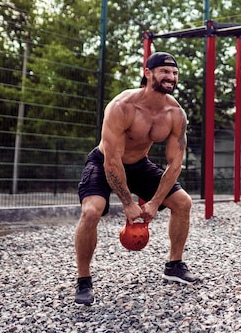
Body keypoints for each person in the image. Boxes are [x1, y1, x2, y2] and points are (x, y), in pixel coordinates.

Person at [74, 52, 198, 306]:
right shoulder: (122, 107)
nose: (171, 77)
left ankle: (174, 265)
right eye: (165, 71)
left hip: (139, 164)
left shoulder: (176, 114)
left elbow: (175, 163)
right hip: (104, 161)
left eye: (174, 73)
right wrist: (128, 203)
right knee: (91, 212)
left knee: (183, 203)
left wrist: (154, 203)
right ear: (148, 72)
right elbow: (112, 160)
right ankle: (83, 280)